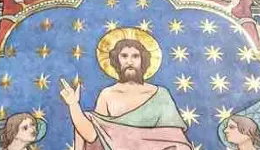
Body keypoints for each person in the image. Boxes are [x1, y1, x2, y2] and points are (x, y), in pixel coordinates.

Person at [58, 27, 191, 149]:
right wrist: (73, 104)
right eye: (124, 56)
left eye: (135, 56)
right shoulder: (108, 94)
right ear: (117, 60)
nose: (129, 61)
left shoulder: (161, 95)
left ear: (143, 60)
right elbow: (93, 136)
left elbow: (176, 140)